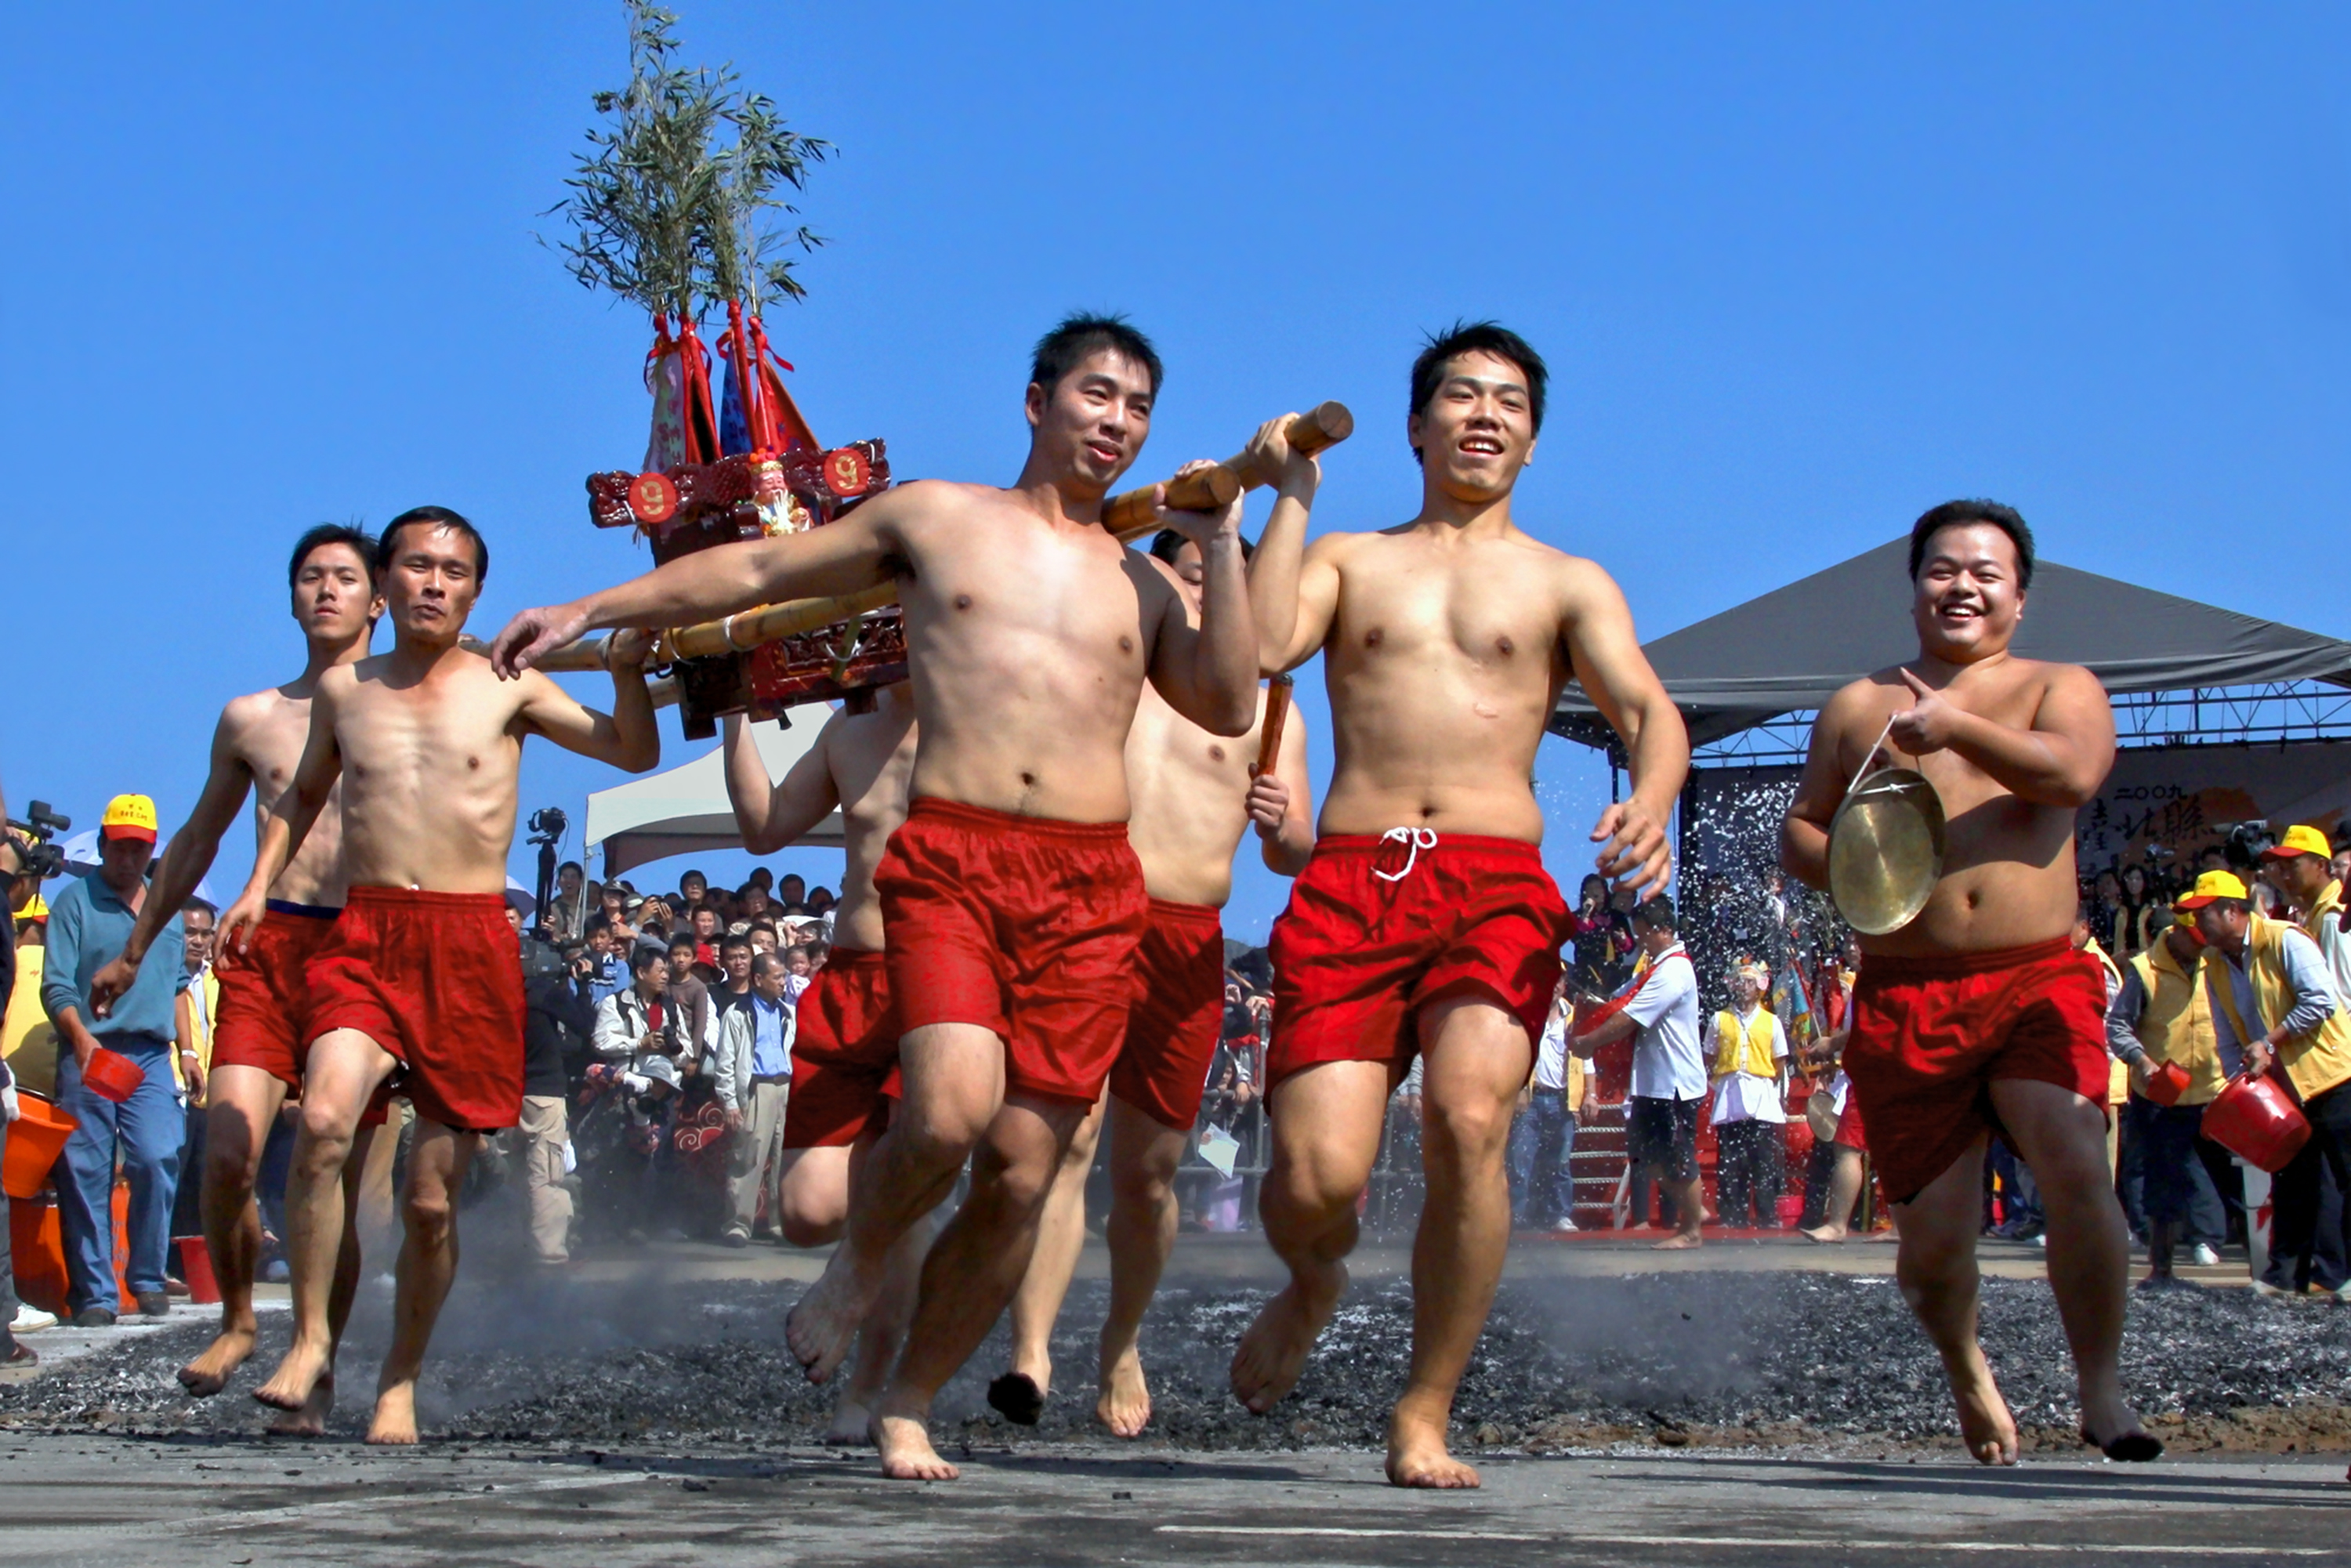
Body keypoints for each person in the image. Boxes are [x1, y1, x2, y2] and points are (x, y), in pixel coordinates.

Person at [495, 315, 1259, 1479]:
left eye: (1138, 407)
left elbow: (1226, 699)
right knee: (948, 1114)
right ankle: (857, 1266)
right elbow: (757, 571)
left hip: (1094, 880)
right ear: (1037, 401)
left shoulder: (1141, 578)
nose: (1117, 423)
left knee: (1017, 1175)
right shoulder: (939, 519)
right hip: (955, 856)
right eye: (1096, 395)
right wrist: (598, 607)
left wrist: (1229, 538)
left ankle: (908, 1395)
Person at [1237, 322, 1686, 1488]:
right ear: (1417, 423)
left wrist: (1653, 792)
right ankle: (1313, 1278)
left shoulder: (1566, 581)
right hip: (1352, 877)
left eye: (1510, 403)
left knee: (1470, 1120)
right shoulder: (1349, 558)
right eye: (1461, 396)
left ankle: (1424, 1408)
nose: (1486, 415)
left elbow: (1646, 707)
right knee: (1317, 1181)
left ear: (1533, 441)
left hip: (1493, 880)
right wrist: (1288, 495)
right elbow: (1262, 643)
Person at [218, 506, 657, 1443]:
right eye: (415, 566)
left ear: (476, 591)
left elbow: (633, 752)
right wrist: (257, 887)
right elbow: (297, 802)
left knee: (427, 1203)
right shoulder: (346, 691)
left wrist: (626, 673)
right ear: (385, 583)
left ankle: (399, 1382)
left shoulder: (511, 684)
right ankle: (309, 1346)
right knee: (327, 1121)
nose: (433, 583)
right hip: (368, 936)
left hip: (470, 950)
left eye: (453, 572)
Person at [1780, 499, 2154, 1465]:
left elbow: (2069, 778)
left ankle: (2101, 1390)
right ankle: (1965, 1368)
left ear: (2020, 599)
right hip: (1909, 992)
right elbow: (1800, 829)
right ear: (1913, 590)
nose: (1964, 587)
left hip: (2037, 977)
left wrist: (1954, 727)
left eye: (1987, 573)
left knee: (2074, 1150)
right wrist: (1852, 865)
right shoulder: (1859, 706)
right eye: (1944, 569)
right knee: (1935, 1244)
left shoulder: (2057, 687)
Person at [999, 528, 1317, 1437]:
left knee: (1149, 1175)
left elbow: (1294, 852)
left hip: (1190, 939)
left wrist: (1280, 820)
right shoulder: (1122, 672)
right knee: (1066, 1138)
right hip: (1093, 917)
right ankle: (1032, 1348)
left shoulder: (1268, 703)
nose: (1214, 596)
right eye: (1195, 576)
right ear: (1158, 583)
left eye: (1231, 584)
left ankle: (1122, 1340)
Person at [86, 523, 381, 1407]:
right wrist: (138, 949)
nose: (326, 591)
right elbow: (197, 837)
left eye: (345, 578)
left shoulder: (402, 702)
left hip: (365, 946)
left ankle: (316, 1353)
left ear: (377, 599)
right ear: (291, 597)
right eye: (311, 578)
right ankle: (241, 1319)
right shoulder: (254, 717)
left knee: (329, 1165)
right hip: (270, 943)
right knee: (225, 1151)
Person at [718, 684, 932, 1443]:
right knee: (809, 1214)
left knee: (898, 1196)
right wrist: (732, 713)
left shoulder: (978, 712)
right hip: (851, 974)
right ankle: (866, 1291)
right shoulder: (851, 730)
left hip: (941, 969)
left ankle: (875, 1391)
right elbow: (764, 827)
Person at [43, 794, 187, 1325]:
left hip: (150, 1054)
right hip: (89, 1049)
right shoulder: (74, 902)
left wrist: (188, 1048)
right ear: (103, 844)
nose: (127, 856)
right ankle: (96, 1294)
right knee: (86, 1173)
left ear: (151, 850)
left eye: (138, 847)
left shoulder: (165, 909)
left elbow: (177, 984)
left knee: (157, 1156)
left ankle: (147, 1275)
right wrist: (81, 1040)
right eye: (119, 846)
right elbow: (56, 986)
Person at [2182, 869, 2351, 1299]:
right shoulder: (2216, 965)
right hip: (2282, 1085)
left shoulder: (2284, 938)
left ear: (2234, 911)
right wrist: (2231, 1081)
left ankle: (2330, 1274)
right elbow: (2225, 1032)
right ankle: (2287, 1276)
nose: (2197, 924)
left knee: (2337, 1175)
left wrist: (2269, 1044)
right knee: (2291, 1176)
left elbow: (2321, 999)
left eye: (2204, 914)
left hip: (2331, 1075)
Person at [2105, 900, 2229, 1285]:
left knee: (2212, 1170)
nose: (2203, 945)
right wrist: (2142, 1063)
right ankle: (2163, 1266)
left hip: (2214, 1086)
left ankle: (2210, 1239)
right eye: (2197, 939)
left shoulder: (2219, 963)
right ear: (2177, 932)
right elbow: (2119, 1026)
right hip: (2161, 1092)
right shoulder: (2145, 970)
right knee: (2161, 1178)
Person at [1575, 897, 1704, 1247]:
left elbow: (1630, 1017)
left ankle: (1692, 1229)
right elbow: (1617, 999)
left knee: (1676, 1157)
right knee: (1648, 1157)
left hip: (1674, 1083)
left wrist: (1589, 1040)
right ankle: (1694, 1206)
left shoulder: (1674, 970)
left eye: (1644, 935)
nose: (1640, 943)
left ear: (1664, 931)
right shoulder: (1653, 969)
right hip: (1651, 1082)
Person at [513, 895, 587, 1268]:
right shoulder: (548, 994)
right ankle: (549, 1254)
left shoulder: (502, 990)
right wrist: (582, 984)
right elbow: (585, 1027)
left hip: (505, 1092)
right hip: (544, 1094)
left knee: (508, 1173)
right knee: (546, 1178)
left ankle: (504, 1243)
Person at [713, 950, 795, 1248]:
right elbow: (726, 1062)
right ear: (758, 979)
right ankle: (738, 1224)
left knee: (783, 1159)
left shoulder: (788, 1013)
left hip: (784, 1087)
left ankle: (779, 1224)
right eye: (778, 977)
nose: (784, 982)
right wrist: (730, 1102)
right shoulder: (738, 1013)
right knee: (748, 1156)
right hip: (756, 1089)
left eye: (784, 976)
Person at [1708, 958, 1789, 1229]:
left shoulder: (1772, 1022)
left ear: (1760, 987)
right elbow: (1710, 1055)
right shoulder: (1719, 1019)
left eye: (1750, 982)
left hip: (1760, 1094)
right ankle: (1732, 1215)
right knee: (1730, 1159)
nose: (1744, 987)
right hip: (1730, 1093)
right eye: (1740, 981)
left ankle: (1767, 1215)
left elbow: (1779, 1063)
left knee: (1762, 1159)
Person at [1512, 979, 1589, 1232]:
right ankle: (1516, 1216)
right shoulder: (1526, 1013)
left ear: (1565, 986)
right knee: (1520, 1160)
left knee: (1560, 1162)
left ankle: (1559, 1215)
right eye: (1550, 979)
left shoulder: (1575, 1018)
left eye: (1558, 981)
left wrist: (1590, 1096)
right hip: (1531, 1099)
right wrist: (1520, 1089)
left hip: (1563, 1100)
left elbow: (1586, 1058)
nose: (1553, 985)